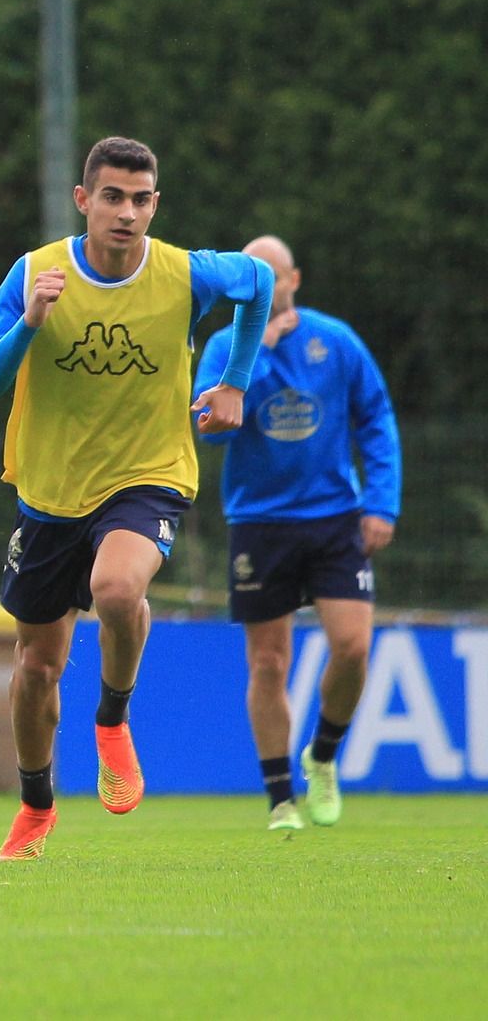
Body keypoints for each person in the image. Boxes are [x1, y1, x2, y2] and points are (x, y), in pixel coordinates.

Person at [0, 136, 273, 861]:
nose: (126, 213)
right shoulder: (36, 272)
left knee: (116, 586)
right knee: (37, 667)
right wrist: (31, 325)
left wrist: (234, 381)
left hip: (148, 472)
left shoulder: (185, 274)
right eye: (112, 197)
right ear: (84, 201)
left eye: (140, 200)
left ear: (154, 205)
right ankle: (36, 808)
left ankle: (112, 717)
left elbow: (257, 282)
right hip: (49, 492)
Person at [194, 236, 400, 831]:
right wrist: (251, 355)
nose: (262, 287)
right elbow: (211, 428)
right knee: (267, 664)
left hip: (335, 517)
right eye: (251, 277)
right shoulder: (227, 347)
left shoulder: (334, 340)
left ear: (295, 280)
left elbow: (376, 418)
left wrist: (381, 503)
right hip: (259, 523)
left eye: (273, 277)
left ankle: (324, 756)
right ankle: (281, 798)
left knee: (354, 648)